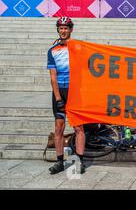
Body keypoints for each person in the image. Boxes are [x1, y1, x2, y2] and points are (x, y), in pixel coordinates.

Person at [47, 17, 86, 175]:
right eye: (61, 28)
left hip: (75, 91)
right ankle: (59, 162)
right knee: (59, 127)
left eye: (66, 28)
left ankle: (79, 161)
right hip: (59, 92)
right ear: (58, 30)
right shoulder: (52, 50)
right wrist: (57, 98)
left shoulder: (78, 48)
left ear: (71, 30)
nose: (63, 31)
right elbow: (52, 77)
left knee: (78, 127)